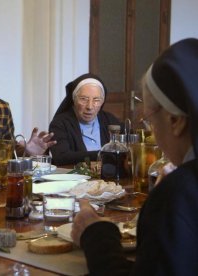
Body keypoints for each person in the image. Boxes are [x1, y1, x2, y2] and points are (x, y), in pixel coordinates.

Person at [71, 38, 198, 275]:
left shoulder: (179, 193)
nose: (151, 131)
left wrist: (95, 234)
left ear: (176, 121)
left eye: (150, 118)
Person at [48, 73, 121, 166]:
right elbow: (61, 157)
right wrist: (103, 154)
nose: (90, 106)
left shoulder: (110, 120)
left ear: (102, 101)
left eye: (96, 100)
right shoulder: (60, 123)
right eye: (84, 99)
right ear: (74, 99)